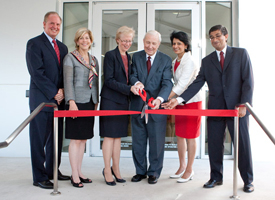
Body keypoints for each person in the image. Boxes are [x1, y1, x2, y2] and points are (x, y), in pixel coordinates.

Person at [162, 25, 254, 193]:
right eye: (211, 37)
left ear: (226, 36)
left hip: (237, 110)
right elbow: (196, 84)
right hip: (215, 109)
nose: (214, 39)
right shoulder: (207, 60)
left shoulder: (241, 54)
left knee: (242, 145)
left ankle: (248, 180)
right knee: (214, 144)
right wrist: (178, 99)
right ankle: (215, 177)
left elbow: (248, 81)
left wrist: (243, 105)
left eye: (217, 36)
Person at [26, 11, 70, 189]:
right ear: (44, 24)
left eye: (58, 24)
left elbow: (64, 73)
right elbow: (37, 73)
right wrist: (55, 92)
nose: (55, 27)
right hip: (42, 101)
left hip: (59, 102)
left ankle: (53, 170)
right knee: (39, 140)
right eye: (52, 24)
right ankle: (39, 176)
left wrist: (63, 91)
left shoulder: (63, 47)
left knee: (56, 139)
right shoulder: (34, 43)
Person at [129, 30, 173, 184]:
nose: (150, 46)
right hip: (137, 105)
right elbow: (132, 74)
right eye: (148, 42)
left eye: (154, 43)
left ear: (158, 44)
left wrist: (160, 100)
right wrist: (136, 82)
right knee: (138, 140)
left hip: (156, 106)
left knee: (156, 141)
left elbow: (168, 82)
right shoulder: (136, 56)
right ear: (143, 41)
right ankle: (140, 171)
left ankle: (154, 172)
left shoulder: (166, 60)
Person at [100, 26, 139, 186]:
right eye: (124, 40)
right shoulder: (110, 56)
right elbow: (108, 80)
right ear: (117, 40)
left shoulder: (129, 57)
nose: (127, 43)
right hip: (110, 100)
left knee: (118, 137)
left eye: (129, 41)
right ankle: (107, 170)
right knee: (109, 136)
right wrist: (129, 89)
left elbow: (130, 78)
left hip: (123, 101)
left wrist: (136, 84)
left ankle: (116, 168)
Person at [63, 28, 99, 188]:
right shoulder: (70, 58)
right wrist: (71, 101)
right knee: (75, 139)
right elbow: (68, 82)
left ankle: (79, 171)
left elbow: (96, 81)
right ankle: (74, 174)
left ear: (90, 41)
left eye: (87, 38)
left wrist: (96, 101)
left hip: (90, 102)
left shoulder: (93, 60)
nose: (85, 41)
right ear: (77, 41)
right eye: (81, 38)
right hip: (76, 103)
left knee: (83, 139)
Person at [168, 31, 203, 183]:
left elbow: (182, 84)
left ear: (186, 46)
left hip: (192, 102)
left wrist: (164, 98)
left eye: (179, 44)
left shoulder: (190, 61)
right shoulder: (175, 61)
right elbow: (174, 82)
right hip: (179, 102)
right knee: (180, 135)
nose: (176, 46)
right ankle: (182, 166)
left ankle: (190, 169)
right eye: (174, 43)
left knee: (191, 137)